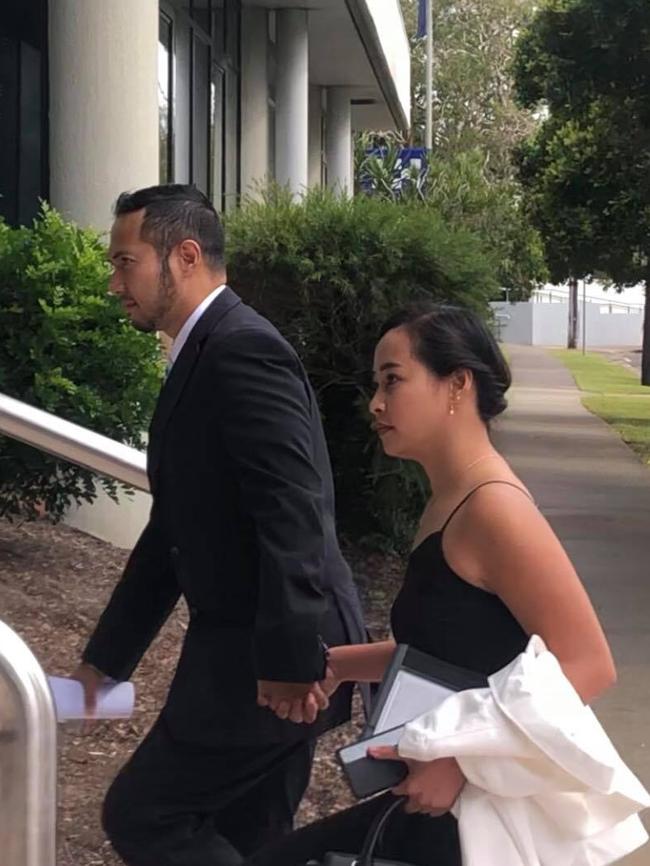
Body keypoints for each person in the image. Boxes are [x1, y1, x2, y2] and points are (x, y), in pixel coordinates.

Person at [245, 303, 617, 866]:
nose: (376, 402)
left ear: (457, 385)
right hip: (441, 802)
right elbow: (456, 650)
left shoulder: (494, 508)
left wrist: (460, 762)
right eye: (376, 384)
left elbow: (589, 665)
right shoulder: (450, 501)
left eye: (393, 381)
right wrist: (338, 664)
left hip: (476, 817)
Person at [72, 184, 367, 866]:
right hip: (259, 651)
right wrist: (106, 662)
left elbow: (294, 509)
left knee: (146, 814)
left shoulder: (240, 352)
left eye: (125, 262)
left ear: (185, 255)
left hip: (273, 657)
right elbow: (171, 536)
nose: (114, 281)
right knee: (251, 840)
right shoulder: (205, 351)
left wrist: (292, 661)